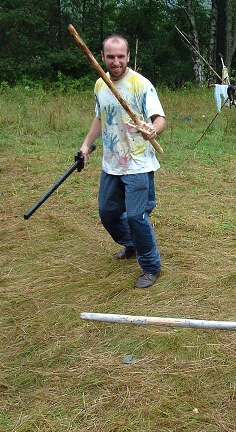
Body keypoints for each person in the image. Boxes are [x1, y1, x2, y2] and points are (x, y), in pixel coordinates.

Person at [79, 34, 166, 289]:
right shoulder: (100, 84)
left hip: (138, 164)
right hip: (112, 164)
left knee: (137, 216)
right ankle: (132, 243)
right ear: (103, 57)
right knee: (107, 214)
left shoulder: (141, 85)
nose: (115, 62)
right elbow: (100, 117)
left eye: (120, 56)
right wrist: (85, 145)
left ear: (128, 56)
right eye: (110, 56)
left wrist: (152, 129)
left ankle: (150, 267)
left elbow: (160, 118)